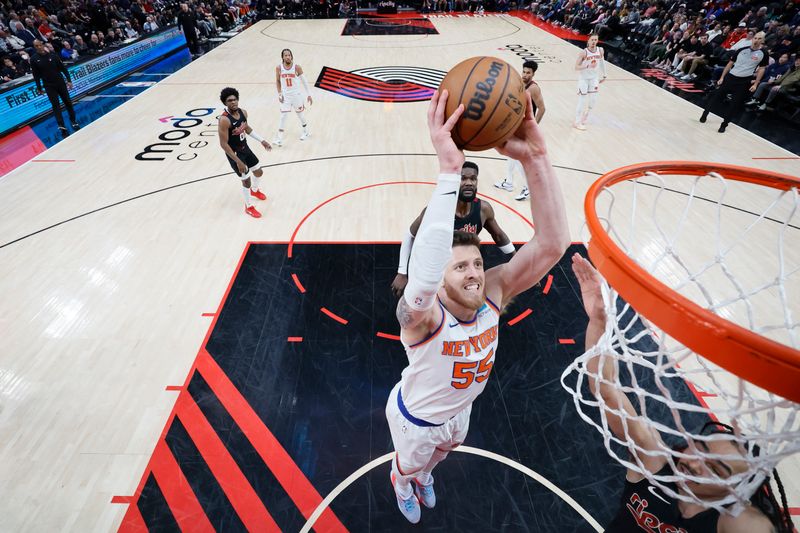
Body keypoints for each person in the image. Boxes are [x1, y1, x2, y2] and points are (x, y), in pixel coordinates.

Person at [386, 89, 569, 523]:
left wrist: (536, 158)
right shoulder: (423, 319)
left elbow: (552, 244)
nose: (472, 272)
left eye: (475, 263)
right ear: (439, 281)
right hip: (418, 418)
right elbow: (423, 277)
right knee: (410, 464)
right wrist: (448, 172)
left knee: (441, 458)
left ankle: (424, 474)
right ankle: (401, 481)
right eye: (459, 268)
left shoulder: (493, 292)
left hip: (461, 408)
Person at [569, 253, 793, 533]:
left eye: (716, 469)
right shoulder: (654, 460)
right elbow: (606, 391)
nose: (695, 462)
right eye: (700, 447)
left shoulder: (735, 522)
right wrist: (600, 320)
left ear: (737, 491)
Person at [391, 161, 516, 297]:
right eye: (463, 178)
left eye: (473, 179)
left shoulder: (483, 210)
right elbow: (410, 235)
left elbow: (498, 235)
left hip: (462, 266)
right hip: (437, 266)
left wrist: (517, 259)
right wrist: (402, 272)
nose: (469, 183)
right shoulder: (436, 210)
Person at [494, 59, 546, 201]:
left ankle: (529, 188)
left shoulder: (534, 88)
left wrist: (533, 126)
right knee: (511, 156)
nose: (524, 74)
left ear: (533, 74)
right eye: (523, 71)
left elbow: (542, 108)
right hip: (515, 125)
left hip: (524, 128)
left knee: (517, 159)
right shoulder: (519, 84)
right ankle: (509, 183)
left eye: (528, 73)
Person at [217, 87, 272, 218]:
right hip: (234, 153)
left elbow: (246, 128)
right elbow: (223, 144)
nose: (233, 102)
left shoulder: (243, 112)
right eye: (230, 100)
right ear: (225, 103)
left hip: (245, 148)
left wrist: (262, 140)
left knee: (259, 172)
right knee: (246, 180)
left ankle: (254, 191)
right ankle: (248, 207)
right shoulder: (224, 120)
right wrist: (238, 161)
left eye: (235, 99)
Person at [700, 31, 768, 133]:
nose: (756, 40)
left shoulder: (763, 54)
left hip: (744, 81)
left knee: (734, 104)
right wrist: (722, 77)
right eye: (755, 38)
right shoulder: (741, 50)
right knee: (716, 97)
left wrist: (755, 84)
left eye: (759, 39)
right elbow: (730, 64)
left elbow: (762, 69)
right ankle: (704, 114)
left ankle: (724, 124)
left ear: (762, 41)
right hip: (731, 77)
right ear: (752, 39)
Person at [30, 39, 80, 139]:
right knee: (56, 106)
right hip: (48, 85)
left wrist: (69, 80)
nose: (38, 47)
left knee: (68, 102)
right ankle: (62, 127)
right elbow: (36, 75)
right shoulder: (34, 59)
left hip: (60, 82)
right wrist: (39, 87)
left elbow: (63, 68)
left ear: (42, 44)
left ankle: (73, 121)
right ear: (34, 47)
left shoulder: (53, 55)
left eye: (39, 45)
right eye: (36, 46)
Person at [273, 48, 312, 146]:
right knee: (283, 116)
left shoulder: (297, 67)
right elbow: (277, 81)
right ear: (282, 57)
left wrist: (309, 94)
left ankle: (305, 131)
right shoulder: (278, 68)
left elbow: (304, 81)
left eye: (289, 55)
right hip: (286, 96)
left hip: (296, 95)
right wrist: (279, 94)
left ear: (291, 56)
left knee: (300, 115)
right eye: (285, 55)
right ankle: (280, 138)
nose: (287, 57)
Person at [574, 33, 606, 130]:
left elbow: (602, 62)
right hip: (584, 79)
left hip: (594, 79)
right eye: (592, 40)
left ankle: (585, 115)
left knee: (593, 101)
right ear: (588, 41)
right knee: (582, 101)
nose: (594, 42)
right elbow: (576, 67)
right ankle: (577, 122)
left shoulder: (600, 50)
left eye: (596, 40)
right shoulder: (584, 52)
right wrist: (587, 66)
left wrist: (604, 74)